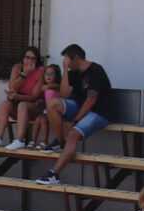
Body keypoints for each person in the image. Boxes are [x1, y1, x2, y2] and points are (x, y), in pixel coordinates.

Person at [38, 44, 112, 183]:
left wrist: (75, 120)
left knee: (72, 134)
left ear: (76, 57)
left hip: (99, 112)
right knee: (53, 104)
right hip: (79, 107)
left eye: (67, 59)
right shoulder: (73, 72)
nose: (65, 62)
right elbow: (64, 94)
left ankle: (54, 174)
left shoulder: (96, 70)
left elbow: (91, 100)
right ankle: (60, 142)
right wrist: (65, 70)